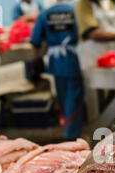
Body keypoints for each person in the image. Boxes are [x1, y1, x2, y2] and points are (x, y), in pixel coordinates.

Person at [31, 0, 84, 141]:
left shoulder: (44, 14)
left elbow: (35, 42)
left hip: (55, 62)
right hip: (73, 60)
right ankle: (71, 136)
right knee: (74, 98)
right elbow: (85, 34)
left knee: (62, 96)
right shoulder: (74, 11)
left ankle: (67, 129)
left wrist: (35, 64)